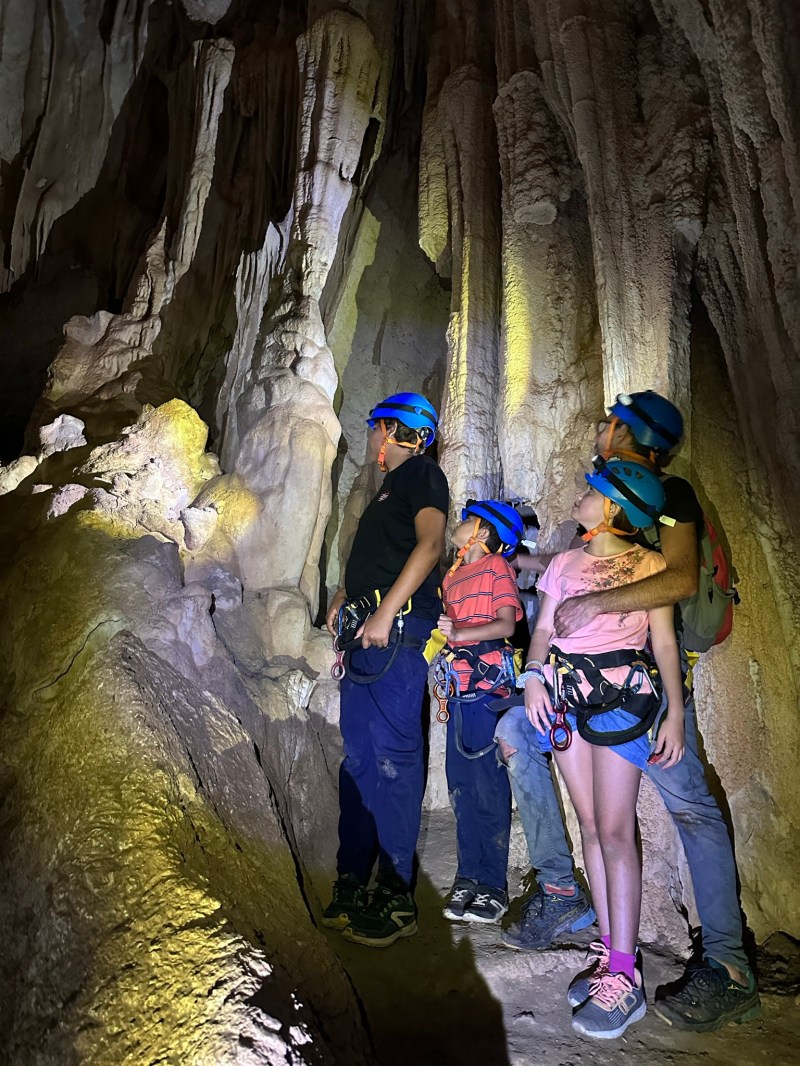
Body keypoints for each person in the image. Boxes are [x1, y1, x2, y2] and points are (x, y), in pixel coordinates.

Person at [505, 390, 762, 1032]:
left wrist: (592, 608)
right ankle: (583, 911)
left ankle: (725, 965)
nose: (602, 430)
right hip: (579, 693)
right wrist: (537, 572)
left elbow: (674, 584)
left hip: (638, 689)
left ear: (632, 435)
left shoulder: (667, 496)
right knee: (545, 763)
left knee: (687, 808)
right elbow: (569, 585)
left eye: (611, 423)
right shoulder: (586, 541)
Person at [521, 459, 685, 1038]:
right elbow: (541, 629)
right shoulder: (563, 563)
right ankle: (612, 951)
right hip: (566, 692)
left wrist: (677, 713)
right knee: (590, 826)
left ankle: (625, 976)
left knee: (616, 832)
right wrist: (533, 675)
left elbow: (663, 642)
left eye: (592, 490)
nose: (581, 496)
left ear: (613, 507)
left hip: (622, 700)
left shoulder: (649, 565)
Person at [321, 392, 448, 947]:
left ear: (395, 430)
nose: (371, 437)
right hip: (367, 633)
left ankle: (396, 895)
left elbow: (431, 544)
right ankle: (353, 877)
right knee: (360, 757)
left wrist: (387, 609)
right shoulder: (386, 493)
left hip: (396, 633)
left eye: (376, 427)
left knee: (395, 756)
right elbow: (381, 555)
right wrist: (347, 595)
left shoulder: (422, 474)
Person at [436, 500, 524, 924]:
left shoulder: (494, 569)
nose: (459, 523)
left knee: (488, 785)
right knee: (461, 786)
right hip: (458, 691)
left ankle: (493, 885)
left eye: (468, 519)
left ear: (483, 534)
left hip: (488, 690)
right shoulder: (452, 576)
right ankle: (466, 876)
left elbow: (506, 625)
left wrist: (461, 632)